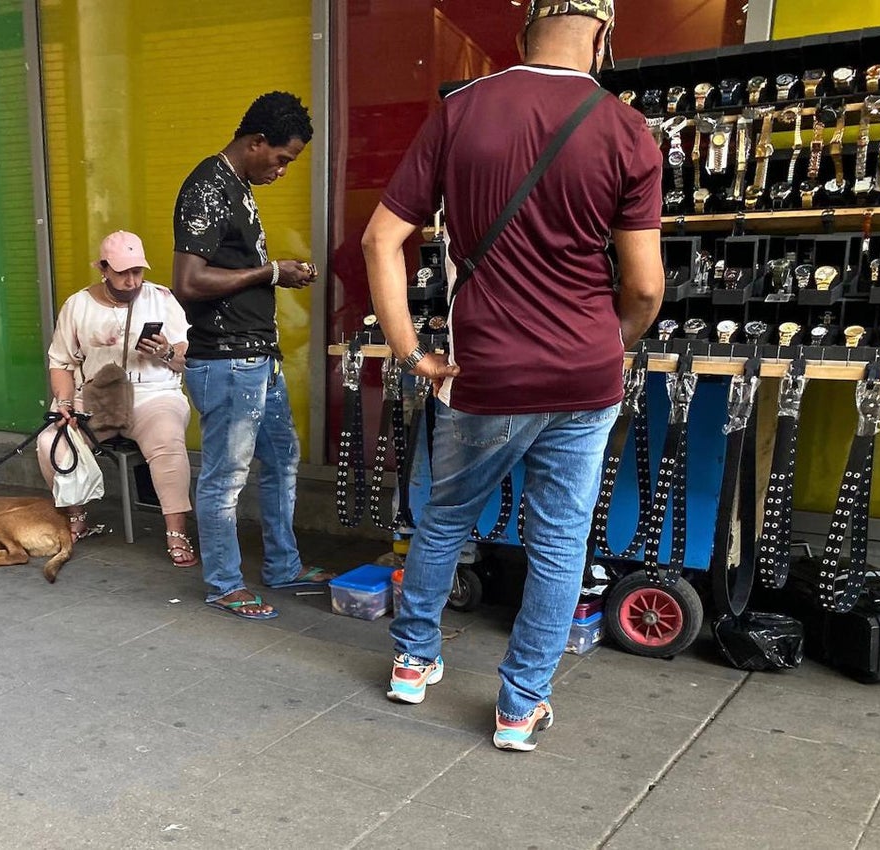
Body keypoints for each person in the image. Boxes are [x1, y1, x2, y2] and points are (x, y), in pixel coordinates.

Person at [361, 0, 664, 751]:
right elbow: (647, 288)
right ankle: (518, 707)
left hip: (484, 371)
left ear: (521, 29)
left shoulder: (463, 111)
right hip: (583, 379)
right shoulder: (627, 130)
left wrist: (410, 353)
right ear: (604, 34)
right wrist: (608, 342)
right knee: (560, 542)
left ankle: (411, 662)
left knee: (446, 515)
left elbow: (381, 239)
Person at [173, 91, 335, 620]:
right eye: (282, 159)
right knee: (226, 476)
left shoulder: (236, 186)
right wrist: (272, 272)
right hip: (226, 362)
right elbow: (188, 282)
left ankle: (282, 566)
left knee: (283, 458)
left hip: (256, 358)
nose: (283, 170)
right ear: (256, 141)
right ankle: (224, 583)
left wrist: (278, 274)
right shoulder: (207, 187)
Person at [39, 230, 199, 568]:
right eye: (122, 272)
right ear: (104, 269)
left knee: (167, 439)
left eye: (136, 272)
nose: (130, 281)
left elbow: (188, 357)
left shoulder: (161, 298)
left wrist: (167, 352)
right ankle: (76, 514)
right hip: (97, 394)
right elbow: (61, 363)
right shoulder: (78, 304)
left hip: (153, 392)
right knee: (51, 440)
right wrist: (65, 403)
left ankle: (176, 532)